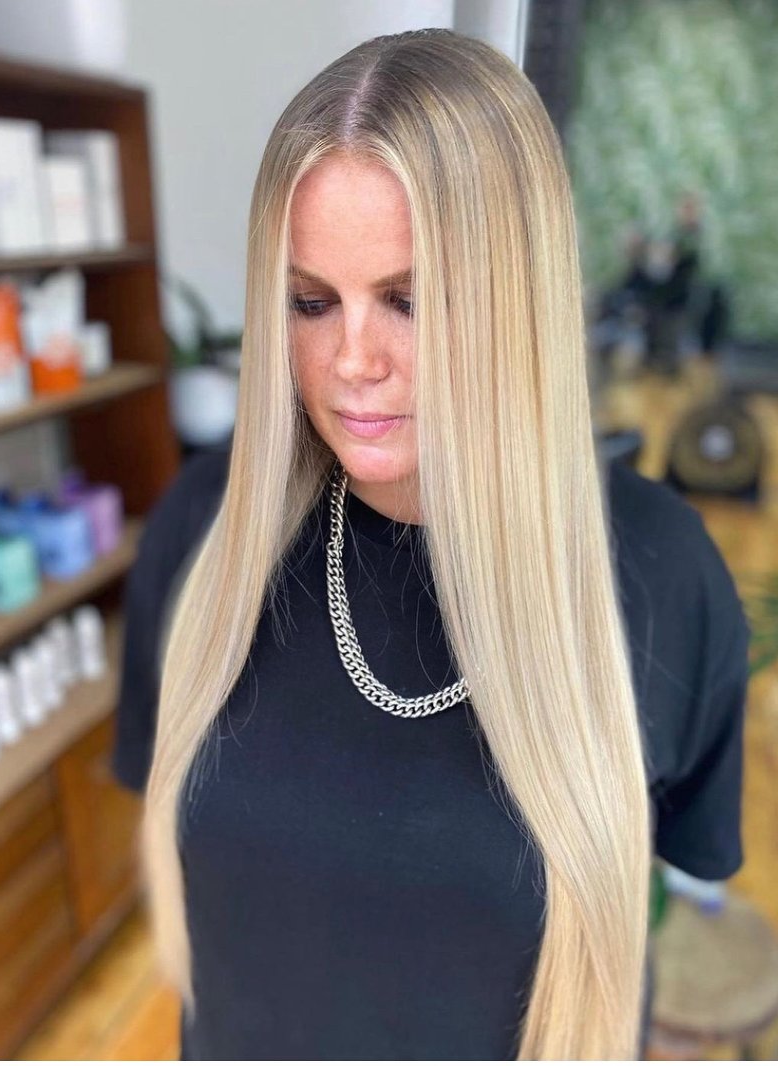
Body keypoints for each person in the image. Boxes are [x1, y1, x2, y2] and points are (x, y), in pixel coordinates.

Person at [112, 28, 750, 1060]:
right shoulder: (206, 534)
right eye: (311, 302)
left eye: (410, 300)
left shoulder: (658, 575)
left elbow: (680, 865)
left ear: (517, 300)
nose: (351, 359)